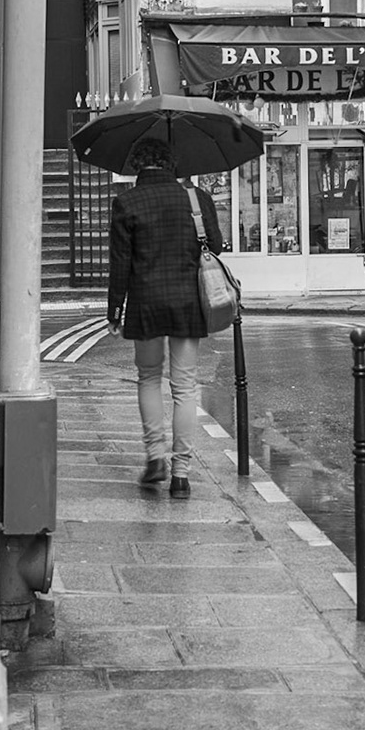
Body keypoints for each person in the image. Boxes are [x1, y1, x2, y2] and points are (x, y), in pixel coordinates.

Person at [107, 137, 224, 499]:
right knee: (185, 387)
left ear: (138, 166)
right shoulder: (197, 199)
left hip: (145, 303)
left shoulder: (126, 203)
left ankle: (155, 455)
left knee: (147, 378)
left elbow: (120, 264)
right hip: (188, 302)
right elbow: (215, 246)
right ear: (172, 165)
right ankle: (182, 474)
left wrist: (114, 309)